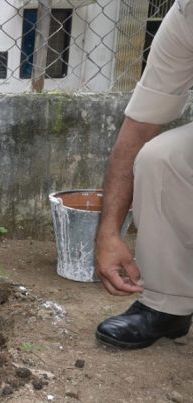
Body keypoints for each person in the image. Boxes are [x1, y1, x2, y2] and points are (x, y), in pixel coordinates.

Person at [95, 0, 193, 350]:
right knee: (162, 158)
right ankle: (168, 304)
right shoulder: (187, 15)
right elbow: (140, 127)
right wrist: (108, 233)